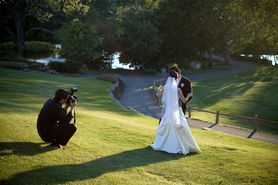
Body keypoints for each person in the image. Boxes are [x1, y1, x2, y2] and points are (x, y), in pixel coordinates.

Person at [151, 70, 201, 155]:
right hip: (177, 112)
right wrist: (189, 95)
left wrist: (158, 91)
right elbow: (184, 101)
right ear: (176, 78)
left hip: (167, 113)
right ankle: (178, 145)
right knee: (180, 128)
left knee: (166, 127)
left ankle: (165, 145)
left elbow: (159, 97)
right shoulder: (178, 90)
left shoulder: (164, 88)